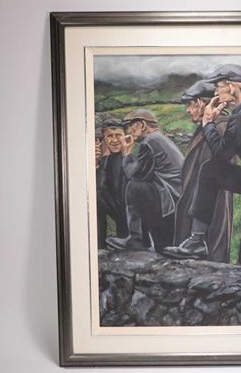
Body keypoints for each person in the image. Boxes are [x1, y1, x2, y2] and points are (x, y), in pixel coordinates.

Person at [163, 64, 241, 262]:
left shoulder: (240, 116)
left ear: (232, 87)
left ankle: (197, 240)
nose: (215, 92)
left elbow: (221, 154)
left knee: (211, 170)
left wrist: (208, 123)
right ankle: (197, 240)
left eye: (219, 87)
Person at [106, 109, 184, 253]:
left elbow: (132, 174)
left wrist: (126, 153)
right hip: (175, 192)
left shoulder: (149, 142)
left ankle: (136, 239)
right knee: (139, 186)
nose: (130, 130)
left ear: (142, 125)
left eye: (132, 125)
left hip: (170, 196)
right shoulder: (158, 139)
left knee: (134, 187)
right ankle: (140, 239)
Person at [173, 80, 233, 263]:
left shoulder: (219, 127)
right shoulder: (210, 126)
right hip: (196, 204)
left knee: (209, 258)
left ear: (202, 103)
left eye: (191, 105)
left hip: (207, 210)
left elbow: (209, 169)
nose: (188, 110)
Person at [95, 119, 129, 249]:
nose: (114, 140)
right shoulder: (104, 160)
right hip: (115, 207)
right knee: (97, 198)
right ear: (103, 140)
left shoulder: (131, 159)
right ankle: (99, 246)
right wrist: (96, 164)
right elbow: (100, 188)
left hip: (130, 211)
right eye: (110, 136)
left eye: (118, 135)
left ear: (125, 137)